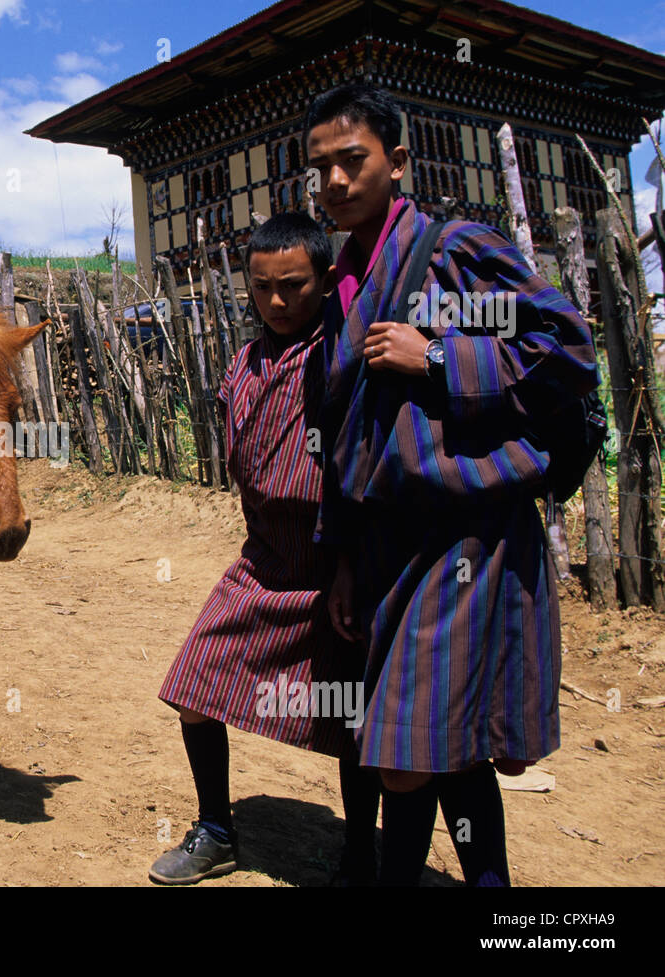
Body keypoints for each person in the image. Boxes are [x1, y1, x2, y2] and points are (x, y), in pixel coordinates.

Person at [306, 83, 599, 885]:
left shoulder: (456, 255)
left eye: (352, 160)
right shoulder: (339, 286)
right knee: (439, 738)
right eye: (319, 168)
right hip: (386, 542)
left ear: (397, 163)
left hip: (466, 536)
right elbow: (341, 435)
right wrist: (340, 556)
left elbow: (564, 347)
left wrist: (438, 357)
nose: (334, 181)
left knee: (403, 745)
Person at [151, 213, 380, 885]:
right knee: (194, 682)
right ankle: (217, 828)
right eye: (262, 287)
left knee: (351, 715)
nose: (278, 301)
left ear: (325, 279)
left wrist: (348, 562)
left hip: (335, 562)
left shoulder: (342, 355)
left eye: (294, 285)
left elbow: (363, 464)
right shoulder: (246, 363)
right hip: (264, 561)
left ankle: (361, 854)